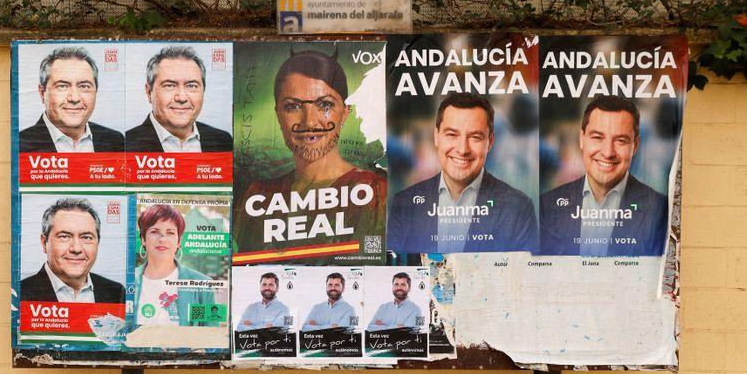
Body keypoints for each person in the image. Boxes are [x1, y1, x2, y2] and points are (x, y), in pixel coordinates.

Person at [234, 50, 387, 261]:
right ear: (278, 114)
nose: (310, 123)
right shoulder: (258, 196)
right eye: (293, 106)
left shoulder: (377, 192)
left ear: (345, 113)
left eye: (325, 105)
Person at [388, 92, 537, 254]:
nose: (463, 149)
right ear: (436, 136)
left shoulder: (519, 208)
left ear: (490, 142)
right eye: (452, 135)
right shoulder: (404, 204)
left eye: (475, 137)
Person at [540, 94, 668, 256]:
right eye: (597, 137)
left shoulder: (660, 210)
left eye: (620, 140)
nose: (608, 152)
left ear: (635, 146)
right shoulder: (546, 206)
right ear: (582, 139)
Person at [125, 46, 232, 152]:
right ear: (149, 92)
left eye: (191, 86)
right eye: (170, 85)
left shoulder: (223, 141)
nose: (181, 98)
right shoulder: (126, 144)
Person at [18, 46, 125, 153]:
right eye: (62, 86)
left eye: (84, 86)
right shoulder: (20, 144)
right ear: (42, 93)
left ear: (96, 91)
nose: (74, 98)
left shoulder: (116, 141)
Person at [20, 198, 125, 302]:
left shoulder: (116, 293)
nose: (76, 248)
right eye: (64, 236)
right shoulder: (20, 294)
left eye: (86, 237)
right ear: (44, 243)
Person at [132, 203, 221, 325]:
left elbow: (210, 335)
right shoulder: (127, 281)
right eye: (154, 231)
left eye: (170, 233)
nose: (162, 239)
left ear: (179, 241)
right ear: (143, 239)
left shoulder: (202, 284)